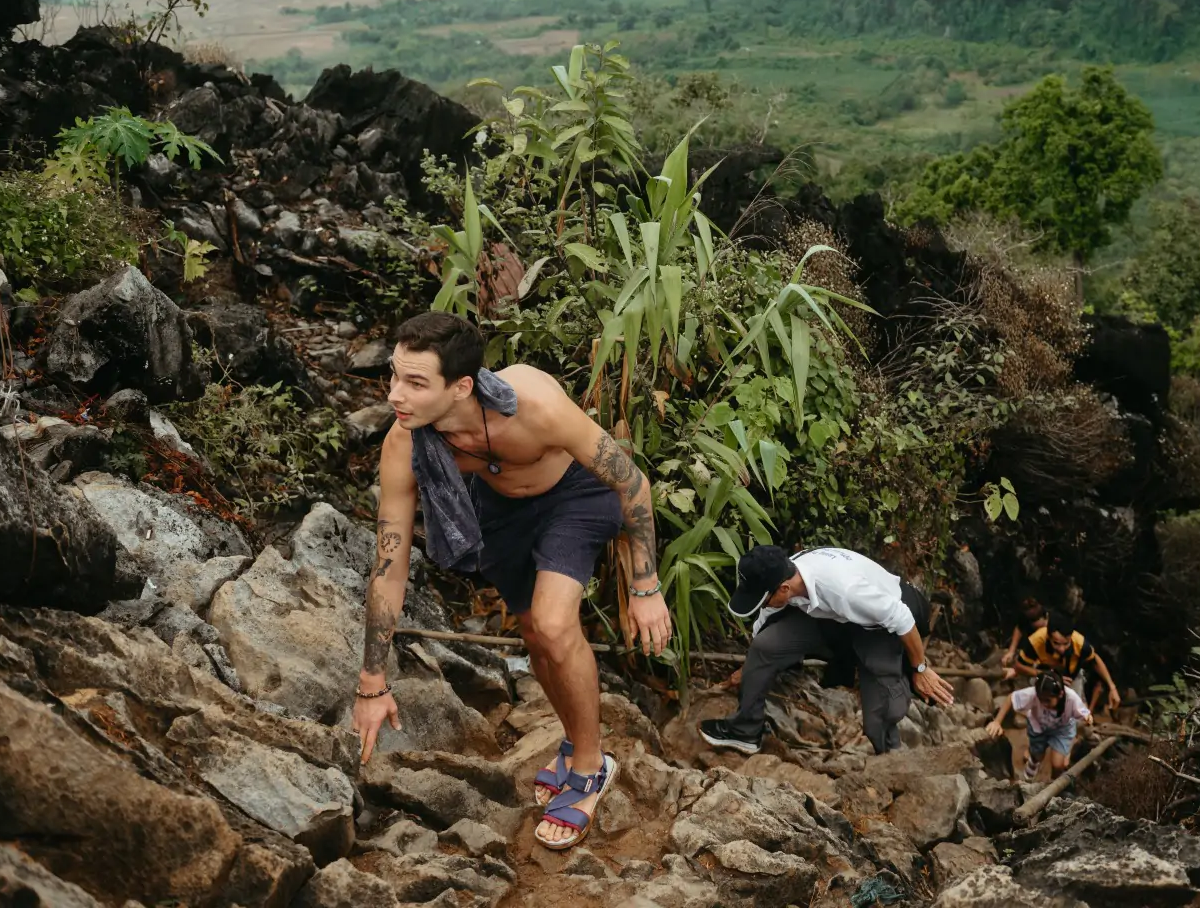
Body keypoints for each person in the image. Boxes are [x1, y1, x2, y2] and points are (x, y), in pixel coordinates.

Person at [350, 312, 672, 852]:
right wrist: (372, 683)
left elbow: (630, 481)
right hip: (498, 510)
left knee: (553, 621)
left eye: (414, 383)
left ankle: (592, 767)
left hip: (574, 495)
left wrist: (645, 585)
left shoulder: (534, 407)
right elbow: (389, 566)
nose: (394, 395)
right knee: (532, 633)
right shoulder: (405, 445)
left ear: (461, 387)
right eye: (394, 377)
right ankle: (573, 743)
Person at [698, 545, 956, 755]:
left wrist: (920, 668)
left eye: (762, 599)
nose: (760, 604)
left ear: (784, 589)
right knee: (766, 646)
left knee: (882, 711)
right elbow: (765, 619)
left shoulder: (846, 590)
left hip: (877, 625)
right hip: (830, 617)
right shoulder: (783, 574)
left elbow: (902, 618)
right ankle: (745, 731)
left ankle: (890, 759)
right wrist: (749, 666)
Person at [984, 670, 1092, 782]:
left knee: (1058, 764)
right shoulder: (1033, 693)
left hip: (1061, 729)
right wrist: (997, 721)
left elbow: (1083, 710)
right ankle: (1031, 768)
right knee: (1037, 755)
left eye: (1048, 701)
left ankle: (1055, 781)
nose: (1043, 704)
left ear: (1060, 694)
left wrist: (1087, 716)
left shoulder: (1071, 697)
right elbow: (1011, 698)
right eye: (1041, 700)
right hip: (1038, 726)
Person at [1012, 611, 1122, 713]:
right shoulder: (1036, 641)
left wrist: (1112, 687)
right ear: (1048, 637)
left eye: (1066, 643)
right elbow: (1018, 666)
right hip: (1044, 673)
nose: (1061, 649)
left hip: (1071, 676)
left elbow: (1095, 661)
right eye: (1056, 643)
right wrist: (1044, 674)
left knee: (1078, 715)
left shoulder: (1080, 644)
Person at [1000, 597, 1048, 680]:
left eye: (1041, 628)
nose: (1039, 632)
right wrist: (1011, 651)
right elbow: (1019, 628)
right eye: (1036, 629)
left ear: (1046, 617)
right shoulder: (1026, 620)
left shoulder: (1055, 625)